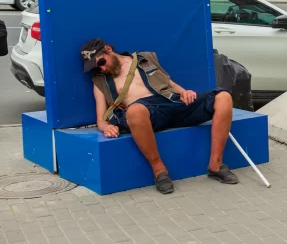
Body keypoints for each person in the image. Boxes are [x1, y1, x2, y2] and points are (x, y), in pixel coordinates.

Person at [81, 38, 239, 194]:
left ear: (108, 49)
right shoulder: (100, 81)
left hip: (170, 102)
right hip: (145, 112)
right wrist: (107, 127)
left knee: (223, 97)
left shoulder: (144, 58)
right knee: (135, 110)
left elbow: (169, 83)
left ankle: (216, 165)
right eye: (97, 68)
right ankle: (159, 171)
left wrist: (184, 92)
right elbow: (100, 119)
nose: (102, 69)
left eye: (101, 63)